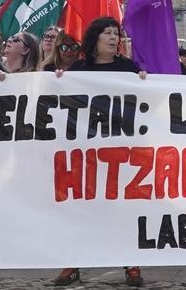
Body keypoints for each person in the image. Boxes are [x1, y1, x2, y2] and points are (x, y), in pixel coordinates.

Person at [51, 16, 146, 288]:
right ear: (95, 38)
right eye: (107, 33)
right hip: (86, 151)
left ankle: (131, 263)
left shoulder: (128, 67)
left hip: (120, 149)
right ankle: (72, 263)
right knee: (82, 208)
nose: (114, 37)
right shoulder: (79, 69)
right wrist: (59, 81)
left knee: (123, 208)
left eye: (116, 33)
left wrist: (142, 81)